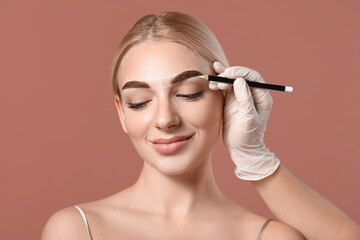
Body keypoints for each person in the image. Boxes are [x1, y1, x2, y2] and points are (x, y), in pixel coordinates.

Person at [41, 11, 360, 240]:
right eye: (139, 101)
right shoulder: (77, 229)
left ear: (226, 98)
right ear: (121, 112)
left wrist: (254, 157)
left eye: (189, 93)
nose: (165, 119)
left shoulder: (267, 236)